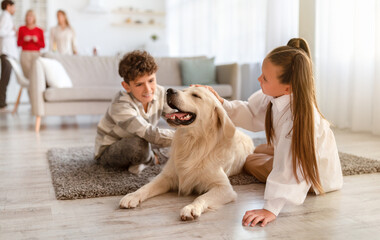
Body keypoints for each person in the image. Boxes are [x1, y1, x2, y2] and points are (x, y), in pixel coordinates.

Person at [200, 38, 343, 227]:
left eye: (265, 78)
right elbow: (251, 112)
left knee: (249, 160)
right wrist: (221, 102)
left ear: (287, 87)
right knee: (259, 148)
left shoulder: (298, 119)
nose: (259, 79)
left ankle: (267, 165)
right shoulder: (277, 95)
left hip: (316, 177)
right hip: (297, 152)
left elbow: (293, 166)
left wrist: (271, 208)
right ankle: (270, 154)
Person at [94, 50, 174, 174]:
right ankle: (153, 159)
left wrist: (192, 131)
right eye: (139, 84)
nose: (148, 89)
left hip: (145, 139)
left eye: (151, 80)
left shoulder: (161, 93)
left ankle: (145, 160)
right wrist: (184, 138)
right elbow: (149, 134)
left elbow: (176, 118)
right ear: (126, 86)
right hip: (112, 149)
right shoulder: (120, 104)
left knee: (179, 141)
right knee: (138, 146)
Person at [17, 9, 45, 79]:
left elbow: (43, 45)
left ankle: (34, 90)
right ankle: (29, 90)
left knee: (36, 75)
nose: (29, 17)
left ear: (34, 18)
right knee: (27, 76)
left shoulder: (40, 30)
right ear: (25, 17)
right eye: (28, 16)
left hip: (36, 54)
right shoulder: (21, 28)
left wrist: (36, 41)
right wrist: (24, 40)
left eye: (31, 16)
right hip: (25, 55)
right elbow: (18, 44)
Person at [0, 0, 17, 112]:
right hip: (6, 53)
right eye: (13, 7)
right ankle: (2, 104)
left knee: (5, 79)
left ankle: (3, 103)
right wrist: (12, 32)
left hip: (8, 53)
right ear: (8, 6)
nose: (14, 9)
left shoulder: (6, 17)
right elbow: (0, 32)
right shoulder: (5, 17)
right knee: (5, 79)